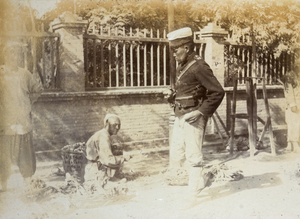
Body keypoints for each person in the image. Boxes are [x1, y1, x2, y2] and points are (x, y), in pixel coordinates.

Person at [166, 27, 225, 204]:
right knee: (177, 154)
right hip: (180, 116)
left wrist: (200, 112)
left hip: (193, 117)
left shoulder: (199, 66)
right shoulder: (182, 65)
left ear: (186, 46)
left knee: (193, 156)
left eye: (176, 49)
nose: (174, 54)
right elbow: (190, 90)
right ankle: (197, 182)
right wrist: (172, 96)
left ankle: (192, 196)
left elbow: (217, 92)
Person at [0, 41, 43, 191]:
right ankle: (2, 183)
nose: (15, 56)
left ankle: (28, 181)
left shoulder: (25, 74)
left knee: (25, 154)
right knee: (3, 154)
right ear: (5, 55)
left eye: (18, 54)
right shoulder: (1, 73)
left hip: (23, 121)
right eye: (11, 53)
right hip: (5, 122)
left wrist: (28, 103)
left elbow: (37, 89)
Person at [84, 114, 125, 191]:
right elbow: (108, 160)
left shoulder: (104, 134)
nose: (117, 128)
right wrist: (122, 159)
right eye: (115, 124)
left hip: (96, 166)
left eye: (119, 125)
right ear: (106, 123)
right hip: (94, 171)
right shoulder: (103, 137)